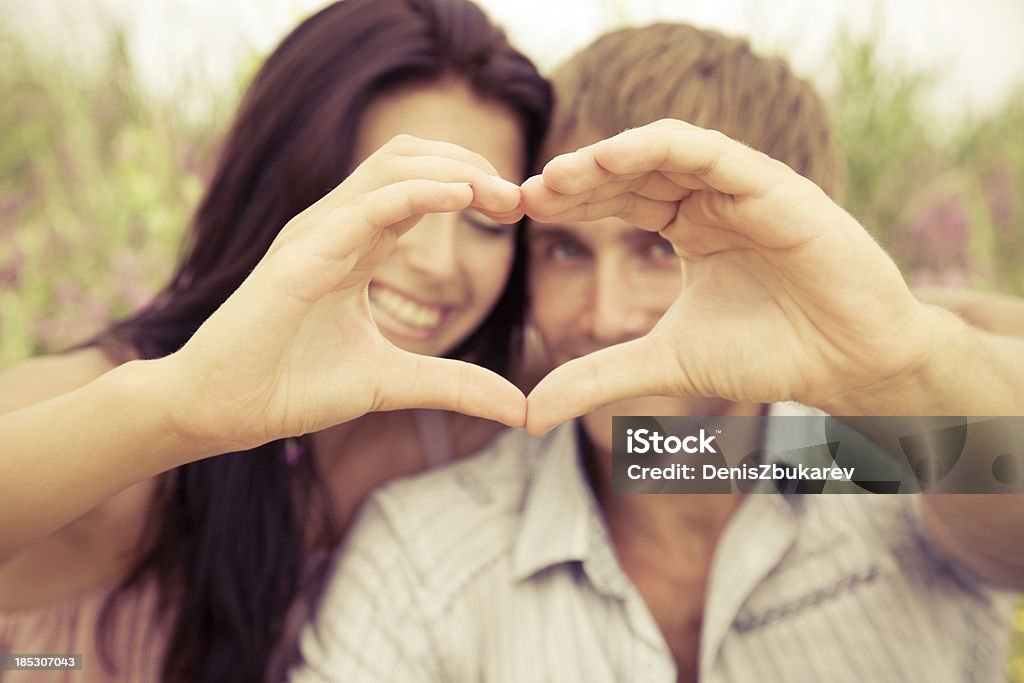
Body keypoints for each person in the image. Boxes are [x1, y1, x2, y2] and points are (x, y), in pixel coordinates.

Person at [289, 23, 1023, 682]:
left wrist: (902, 364)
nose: (604, 314)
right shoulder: (425, 552)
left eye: (660, 246)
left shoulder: (887, 472)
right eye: (566, 248)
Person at [0, 1, 550, 681]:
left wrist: (725, 387)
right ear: (282, 186)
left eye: (487, 223)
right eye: (395, 201)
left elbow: (693, 471)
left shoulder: (475, 410)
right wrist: (177, 412)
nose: (439, 261)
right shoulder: (122, 407)